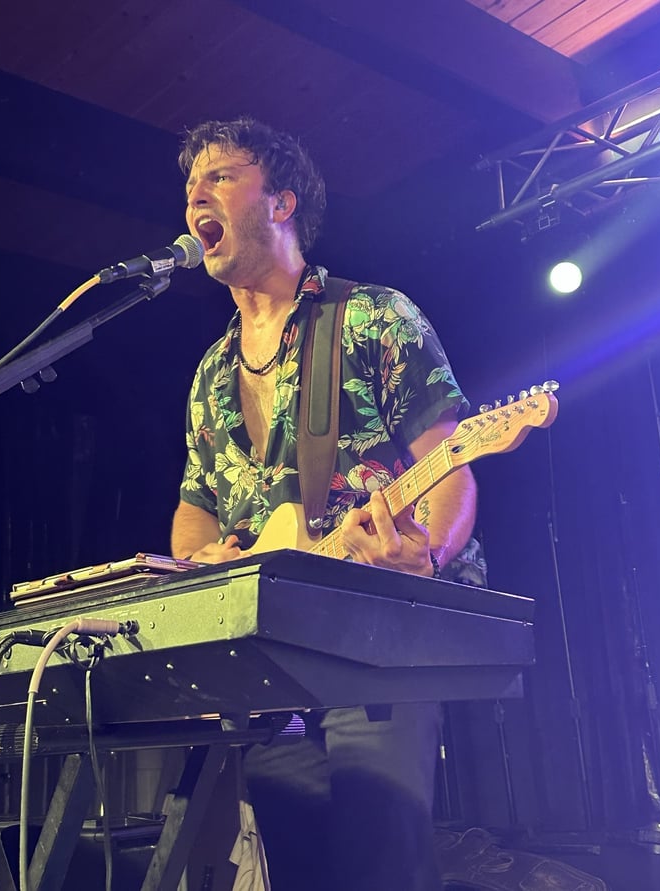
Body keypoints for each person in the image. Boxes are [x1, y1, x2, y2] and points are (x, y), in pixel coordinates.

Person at [171, 117, 481, 891]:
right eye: (189, 184)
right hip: (268, 658)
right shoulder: (211, 373)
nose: (194, 194)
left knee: (382, 859)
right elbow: (196, 505)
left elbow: (450, 462)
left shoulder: (374, 317)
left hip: (378, 629)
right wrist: (197, 564)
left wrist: (429, 554)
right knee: (299, 862)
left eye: (220, 175)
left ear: (281, 201)